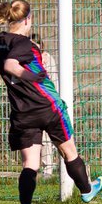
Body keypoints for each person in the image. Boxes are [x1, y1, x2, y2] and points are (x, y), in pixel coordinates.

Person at [0, 0, 102, 204]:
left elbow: (5, 65)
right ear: (28, 19)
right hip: (48, 107)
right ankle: (87, 191)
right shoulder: (25, 44)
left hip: (22, 111)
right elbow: (12, 65)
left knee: (30, 163)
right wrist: (32, 76)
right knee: (69, 152)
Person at [31, 33, 58, 178]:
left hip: (46, 103)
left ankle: (48, 169)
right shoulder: (26, 60)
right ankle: (32, 168)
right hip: (31, 104)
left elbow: (54, 81)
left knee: (46, 138)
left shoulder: (48, 59)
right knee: (33, 138)